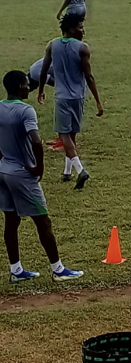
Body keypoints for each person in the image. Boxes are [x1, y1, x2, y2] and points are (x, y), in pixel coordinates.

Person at [0, 70, 83, 283]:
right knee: (43, 221)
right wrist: (39, 167)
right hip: (22, 173)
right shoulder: (25, 111)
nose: (30, 87)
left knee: (11, 220)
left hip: (3, 170)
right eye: (27, 84)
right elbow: (36, 141)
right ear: (20, 87)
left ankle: (16, 270)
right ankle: (58, 270)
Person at [37, 14, 104, 189]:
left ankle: (80, 169)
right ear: (72, 29)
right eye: (81, 27)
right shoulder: (82, 48)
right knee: (72, 133)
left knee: (63, 134)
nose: (84, 31)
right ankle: (67, 172)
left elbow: (44, 71)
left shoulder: (52, 45)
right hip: (78, 97)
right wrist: (97, 100)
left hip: (62, 97)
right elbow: (88, 76)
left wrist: (41, 90)